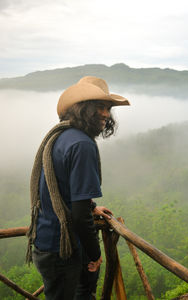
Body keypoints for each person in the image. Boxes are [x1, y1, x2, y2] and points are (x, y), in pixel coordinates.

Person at [26, 75, 130, 300]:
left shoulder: (61, 136)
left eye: (108, 108)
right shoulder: (82, 144)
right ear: (82, 109)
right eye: (99, 107)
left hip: (47, 242)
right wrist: (95, 254)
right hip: (64, 248)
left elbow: (64, 189)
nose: (105, 113)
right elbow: (80, 216)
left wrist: (91, 206)